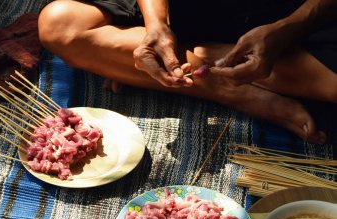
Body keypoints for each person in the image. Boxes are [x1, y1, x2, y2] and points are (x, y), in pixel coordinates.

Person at [38, 0, 337, 144]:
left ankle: (198, 59)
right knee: (60, 25)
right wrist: (156, 23)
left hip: (293, 13)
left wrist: (287, 29)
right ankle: (226, 86)